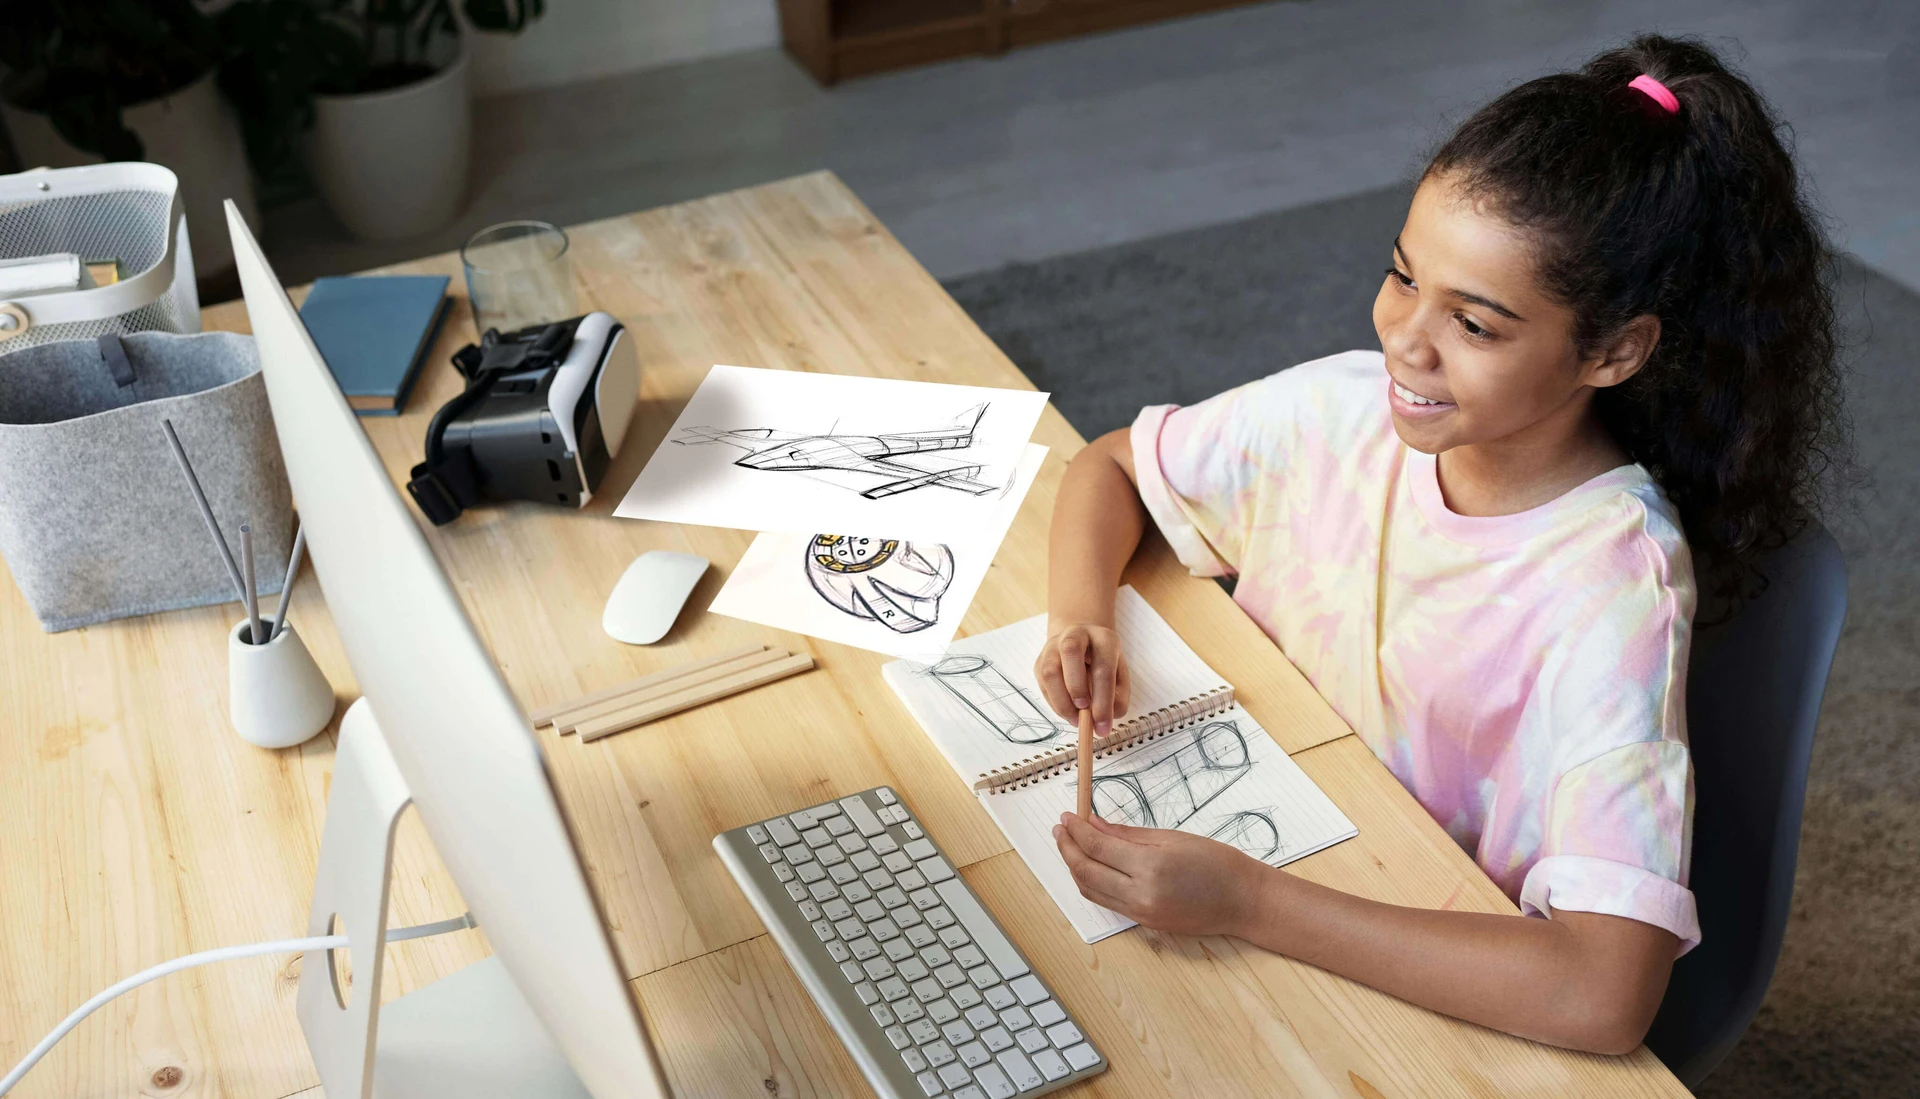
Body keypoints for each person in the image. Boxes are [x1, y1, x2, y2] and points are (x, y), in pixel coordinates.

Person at [1034, 34, 1844, 1055]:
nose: (1405, 340)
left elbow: (1601, 993)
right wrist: (1080, 614)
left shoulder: (1610, 592)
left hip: (1416, 961)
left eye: (1477, 324)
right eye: (1402, 277)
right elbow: (1109, 466)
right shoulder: (1344, 412)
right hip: (1291, 845)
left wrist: (1249, 902)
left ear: (1613, 350)